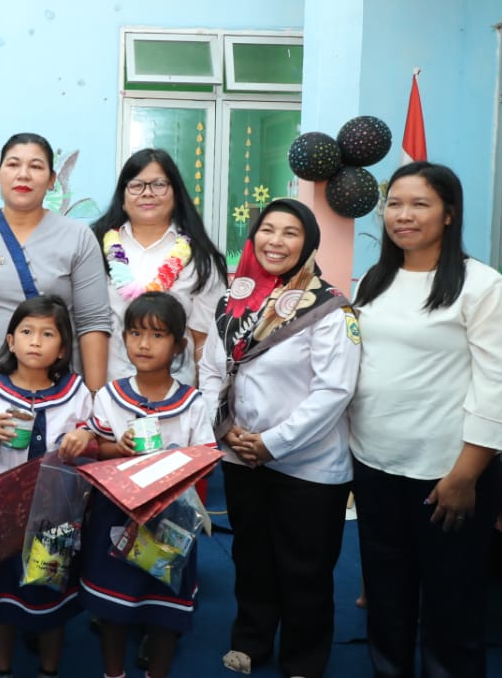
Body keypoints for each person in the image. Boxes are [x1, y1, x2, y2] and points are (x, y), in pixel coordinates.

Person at [350, 162, 502, 678]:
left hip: (447, 472)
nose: (403, 215)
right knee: (386, 591)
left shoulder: (482, 286)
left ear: (449, 214)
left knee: (451, 604)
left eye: (420, 204)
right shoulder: (374, 281)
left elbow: (499, 386)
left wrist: (465, 475)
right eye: (395, 203)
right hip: (377, 462)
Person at [198, 199, 360, 678]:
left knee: (305, 568)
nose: (276, 241)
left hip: (308, 465)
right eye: (267, 230)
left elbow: (335, 390)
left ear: (308, 243)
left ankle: (304, 659)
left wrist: (273, 442)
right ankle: (251, 638)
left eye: (291, 233)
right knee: (251, 556)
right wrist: (225, 429)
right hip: (240, 454)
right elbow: (210, 370)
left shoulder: (329, 306)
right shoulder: (233, 300)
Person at [80, 292, 216, 678]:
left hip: (172, 517)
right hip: (116, 513)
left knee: (166, 605)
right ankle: (113, 672)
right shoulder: (110, 395)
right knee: (113, 604)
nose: (144, 343)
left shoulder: (191, 402)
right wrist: (115, 447)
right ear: (123, 338)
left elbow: (205, 461)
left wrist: (174, 461)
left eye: (157, 335)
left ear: (178, 344)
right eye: (136, 332)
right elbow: (96, 448)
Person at [0, 294, 94, 678]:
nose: (35, 341)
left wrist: (83, 438)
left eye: (47, 333)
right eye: (26, 332)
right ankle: (2, 669)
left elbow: (91, 443)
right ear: (10, 341)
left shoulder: (76, 392)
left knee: (51, 592)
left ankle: (48, 670)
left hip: (56, 514)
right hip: (3, 511)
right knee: (1, 597)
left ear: (62, 348)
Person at [0, 132, 109, 394]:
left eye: (36, 166)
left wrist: (95, 398)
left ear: (52, 180)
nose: (23, 175)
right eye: (13, 164)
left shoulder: (78, 237)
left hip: (60, 392)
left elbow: (93, 321)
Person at [91, 148, 227, 386]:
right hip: (107, 394)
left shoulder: (201, 259)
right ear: (122, 198)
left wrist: (203, 404)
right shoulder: (94, 246)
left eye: (159, 185)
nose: (147, 193)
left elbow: (204, 340)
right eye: (137, 185)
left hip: (175, 397)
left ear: (175, 194)